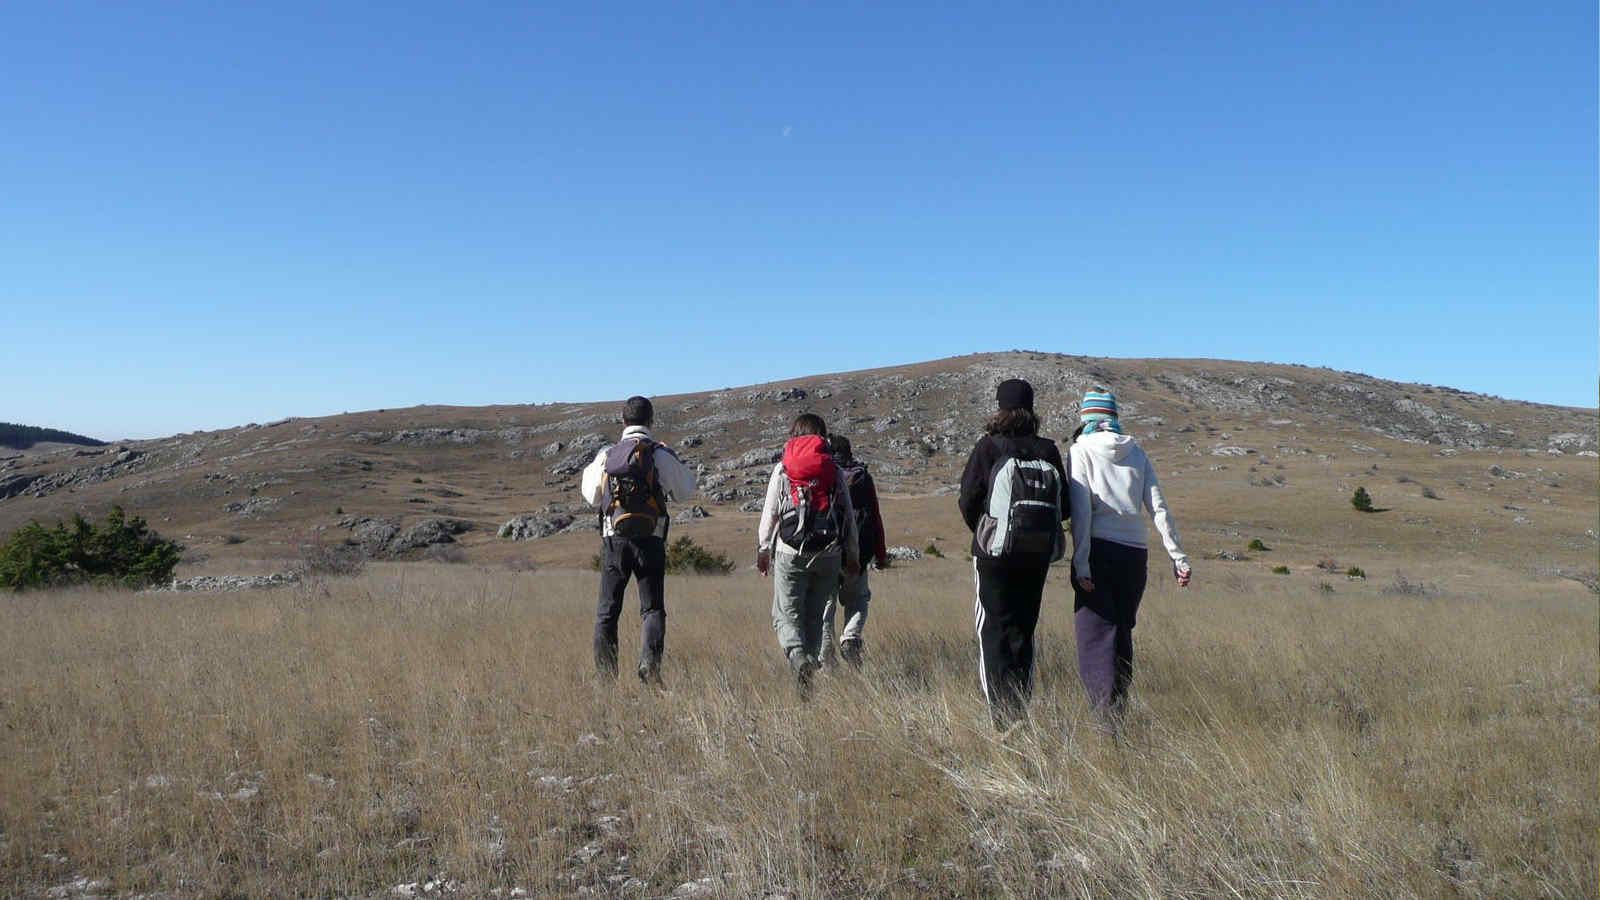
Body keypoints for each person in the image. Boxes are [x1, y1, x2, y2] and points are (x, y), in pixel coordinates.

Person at [1066, 388, 1191, 735]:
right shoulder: (1137, 451)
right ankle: (1118, 714)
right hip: (1136, 555)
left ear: (1086, 419)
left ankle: (1105, 728)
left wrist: (1082, 564)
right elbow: (1158, 507)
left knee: (1094, 640)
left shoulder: (1080, 451)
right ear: (1115, 417)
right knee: (1121, 634)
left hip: (1101, 550)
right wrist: (1178, 558)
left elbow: (1080, 511)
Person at [957, 379, 1069, 730]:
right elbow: (1063, 507)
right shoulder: (1048, 449)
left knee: (992, 631)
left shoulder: (988, 447)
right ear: (1031, 408)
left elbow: (967, 499)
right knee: (1023, 630)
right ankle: (1020, 708)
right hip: (1035, 556)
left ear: (1000, 407)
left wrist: (988, 529)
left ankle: (1001, 720)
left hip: (992, 556)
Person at [580, 396, 697, 685]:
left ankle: (606, 679)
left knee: (607, 611)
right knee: (652, 608)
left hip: (613, 540)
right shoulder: (659, 454)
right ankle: (649, 666)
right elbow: (684, 492)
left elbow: (591, 496)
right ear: (651, 421)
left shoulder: (607, 455)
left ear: (623, 421)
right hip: (651, 538)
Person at [756, 414, 860, 693]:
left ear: (793, 434)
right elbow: (847, 515)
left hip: (790, 551)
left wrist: (763, 548)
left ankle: (797, 656)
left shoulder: (783, 469)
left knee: (785, 614)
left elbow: (771, 512)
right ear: (822, 436)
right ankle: (808, 676)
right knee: (815, 616)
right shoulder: (833, 470)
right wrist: (852, 555)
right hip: (828, 553)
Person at [820, 435, 888, 668]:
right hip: (858, 553)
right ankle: (850, 638)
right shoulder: (862, 477)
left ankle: (825, 656)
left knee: (825, 604)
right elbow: (875, 518)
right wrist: (880, 554)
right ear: (849, 451)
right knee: (858, 600)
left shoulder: (823, 475)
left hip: (827, 551)